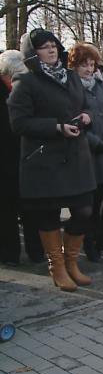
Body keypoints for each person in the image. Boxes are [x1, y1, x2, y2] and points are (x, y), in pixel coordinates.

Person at [7, 29, 95, 291]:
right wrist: (56, 128)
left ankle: (71, 262)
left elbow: (84, 104)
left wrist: (87, 117)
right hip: (44, 159)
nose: (51, 50)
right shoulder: (26, 81)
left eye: (53, 45)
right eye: (44, 47)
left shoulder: (70, 76)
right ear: (32, 54)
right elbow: (19, 123)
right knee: (49, 216)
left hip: (75, 155)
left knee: (84, 210)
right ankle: (56, 266)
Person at [70, 43, 103, 262]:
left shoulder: (101, 84)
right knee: (89, 203)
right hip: (86, 153)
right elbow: (71, 118)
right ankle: (89, 241)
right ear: (74, 65)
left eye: (92, 64)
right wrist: (93, 141)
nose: (89, 69)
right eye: (84, 65)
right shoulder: (71, 87)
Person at [0, 50, 44, 265]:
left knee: (31, 208)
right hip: (5, 159)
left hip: (28, 156)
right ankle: (9, 254)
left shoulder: (27, 88)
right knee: (6, 210)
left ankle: (36, 251)